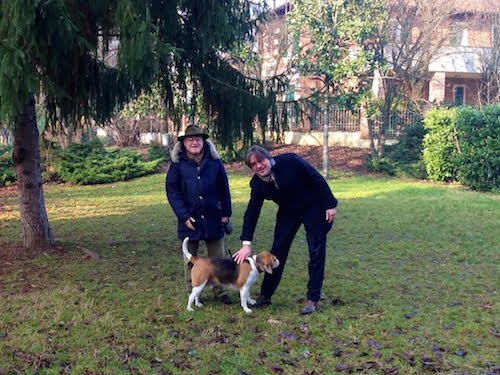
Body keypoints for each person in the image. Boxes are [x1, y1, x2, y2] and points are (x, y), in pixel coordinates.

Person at [233, 145, 338, 314]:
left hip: (314, 207)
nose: (258, 166)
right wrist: (246, 243)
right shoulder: (257, 184)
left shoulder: (291, 161)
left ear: (268, 158)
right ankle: (266, 295)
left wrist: (330, 204)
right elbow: (252, 212)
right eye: (253, 165)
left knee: (316, 251)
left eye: (260, 161)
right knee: (277, 250)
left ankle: (313, 298)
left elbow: (317, 179)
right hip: (288, 212)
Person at [166, 124, 232, 304]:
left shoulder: (214, 162)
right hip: (189, 218)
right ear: (184, 143)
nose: (194, 142)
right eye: (190, 139)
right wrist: (184, 216)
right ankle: (193, 292)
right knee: (190, 259)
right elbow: (172, 192)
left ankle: (220, 292)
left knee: (218, 258)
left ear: (204, 141)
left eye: (197, 139)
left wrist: (226, 212)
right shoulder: (177, 164)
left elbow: (223, 188)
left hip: (213, 217)